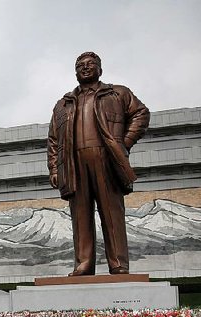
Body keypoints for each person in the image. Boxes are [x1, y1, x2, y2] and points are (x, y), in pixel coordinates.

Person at [47, 52, 150, 276]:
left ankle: (118, 263)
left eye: (90, 64)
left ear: (100, 69)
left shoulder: (117, 93)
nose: (85, 68)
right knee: (80, 216)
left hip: (107, 160)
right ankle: (83, 263)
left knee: (111, 212)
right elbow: (53, 139)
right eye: (79, 65)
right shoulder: (63, 104)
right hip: (74, 164)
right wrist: (54, 168)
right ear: (75, 72)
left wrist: (124, 143)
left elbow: (141, 114)